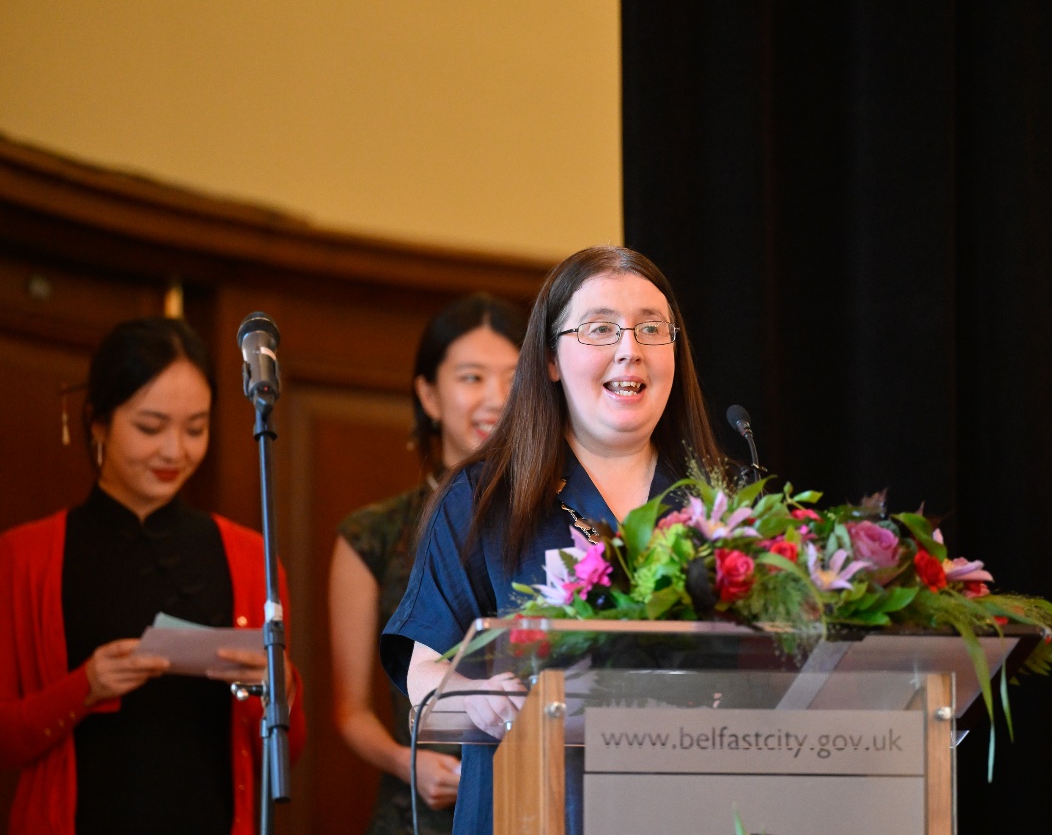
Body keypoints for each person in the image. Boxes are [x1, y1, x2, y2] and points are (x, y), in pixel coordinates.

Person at [380, 245, 731, 835]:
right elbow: (423, 673)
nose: (630, 349)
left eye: (652, 329)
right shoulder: (483, 498)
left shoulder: (719, 506)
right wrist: (473, 695)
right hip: (529, 806)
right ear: (549, 360)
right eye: (601, 329)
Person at [0, 316, 307, 835]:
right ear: (98, 422)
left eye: (195, 428)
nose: (174, 451)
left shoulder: (251, 555)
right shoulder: (24, 556)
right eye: (150, 427)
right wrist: (83, 688)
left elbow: (285, 756)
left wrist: (280, 691)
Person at [329, 293, 526, 835]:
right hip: (415, 809)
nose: (496, 399)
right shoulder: (373, 533)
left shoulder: (555, 517)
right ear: (429, 395)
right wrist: (407, 763)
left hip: (530, 797)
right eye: (472, 378)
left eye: (514, 379)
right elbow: (351, 711)